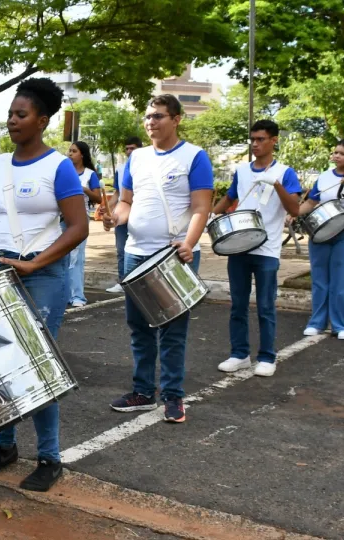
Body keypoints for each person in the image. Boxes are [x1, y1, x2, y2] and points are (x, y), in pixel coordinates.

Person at [0, 78, 88, 492]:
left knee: (36, 364)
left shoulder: (58, 167)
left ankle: (49, 456)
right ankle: (5, 445)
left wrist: (37, 264)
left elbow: (79, 226)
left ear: (42, 120)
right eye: (10, 114)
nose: (11, 121)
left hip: (42, 275)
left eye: (20, 114)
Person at [106, 95, 213, 423]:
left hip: (171, 256)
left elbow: (201, 206)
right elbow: (125, 202)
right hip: (134, 253)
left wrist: (190, 243)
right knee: (138, 327)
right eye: (148, 117)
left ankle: (172, 396)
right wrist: (115, 217)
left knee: (172, 329)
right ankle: (142, 390)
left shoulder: (194, 157)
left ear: (177, 119)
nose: (151, 122)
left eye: (159, 116)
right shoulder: (135, 158)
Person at [211, 120, 301, 377]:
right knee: (237, 304)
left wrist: (276, 185)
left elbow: (294, 209)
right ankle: (239, 354)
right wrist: (210, 215)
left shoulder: (285, 172)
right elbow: (230, 197)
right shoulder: (241, 170)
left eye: (261, 139)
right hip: (238, 246)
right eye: (252, 139)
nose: (255, 144)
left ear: (274, 141)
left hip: (267, 249)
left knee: (265, 305)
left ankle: (267, 356)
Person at [300, 139, 344, 339]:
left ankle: (342, 326)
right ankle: (317, 322)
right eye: (335, 152)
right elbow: (312, 201)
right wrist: (294, 213)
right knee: (320, 279)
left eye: (342, 153)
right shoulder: (323, 177)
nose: (337, 156)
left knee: (342, 280)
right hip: (321, 230)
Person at [66, 141, 102, 306]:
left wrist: (84, 189)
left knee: (76, 257)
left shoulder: (89, 174)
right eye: (69, 151)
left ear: (82, 154)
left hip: (80, 219)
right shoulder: (64, 171)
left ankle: (78, 296)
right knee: (63, 257)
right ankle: (65, 294)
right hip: (61, 218)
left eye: (74, 151)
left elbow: (98, 198)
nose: (70, 153)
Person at [106, 137, 142, 293]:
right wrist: (107, 208)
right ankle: (122, 281)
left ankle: (140, 283)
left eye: (132, 148)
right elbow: (118, 193)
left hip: (140, 215)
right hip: (122, 213)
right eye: (127, 149)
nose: (129, 152)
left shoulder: (146, 166)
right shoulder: (121, 169)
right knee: (121, 250)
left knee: (139, 250)